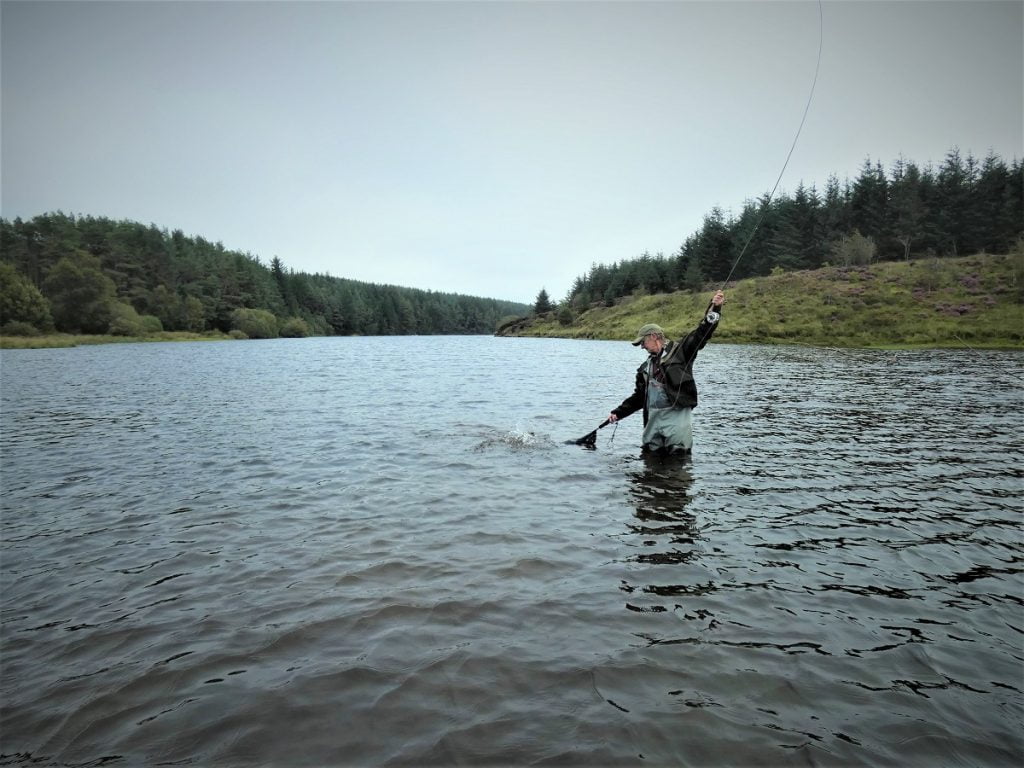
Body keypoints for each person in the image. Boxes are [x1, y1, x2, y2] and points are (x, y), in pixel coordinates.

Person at [607, 290, 725, 454]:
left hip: (677, 422)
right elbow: (639, 398)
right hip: (653, 424)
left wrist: (715, 309)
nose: (642, 347)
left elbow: (702, 334)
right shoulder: (644, 369)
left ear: (654, 336)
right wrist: (618, 413)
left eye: (643, 342)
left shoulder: (682, 351)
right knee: (649, 464)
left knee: (677, 463)